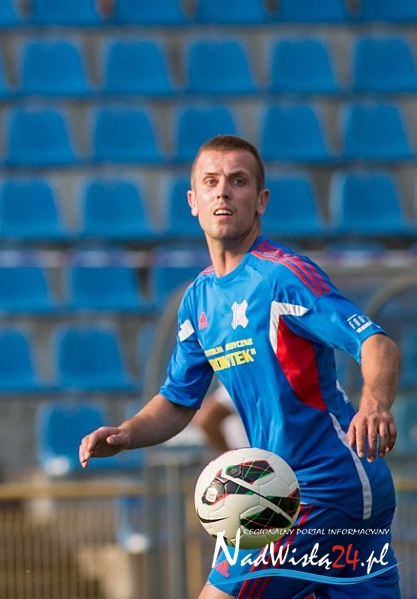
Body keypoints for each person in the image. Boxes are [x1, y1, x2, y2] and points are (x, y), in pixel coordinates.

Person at [79, 135, 401, 598]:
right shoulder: (199, 299)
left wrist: (373, 405)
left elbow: (376, 342)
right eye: (210, 182)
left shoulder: (283, 277)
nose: (223, 192)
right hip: (295, 491)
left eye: (238, 181)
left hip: (322, 486)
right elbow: (178, 400)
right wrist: (127, 434)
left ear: (261, 200)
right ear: (193, 201)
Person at [191, 381, 248, 454]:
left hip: (249, 455)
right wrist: (229, 455)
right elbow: (206, 419)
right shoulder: (249, 385)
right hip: (249, 455)